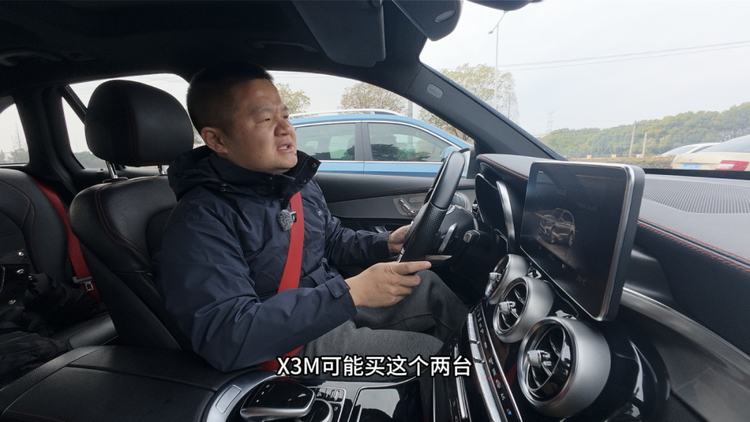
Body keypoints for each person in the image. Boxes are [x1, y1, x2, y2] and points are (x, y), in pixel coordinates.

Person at [155, 62, 467, 378]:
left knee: (426, 285)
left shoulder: (292, 185)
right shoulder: (199, 222)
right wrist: (350, 293)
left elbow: (330, 240)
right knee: (433, 357)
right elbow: (226, 337)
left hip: (329, 303)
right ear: (217, 140)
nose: (285, 129)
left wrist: (386, 243)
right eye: (265, 119)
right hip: (286, 347)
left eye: (285, 116)